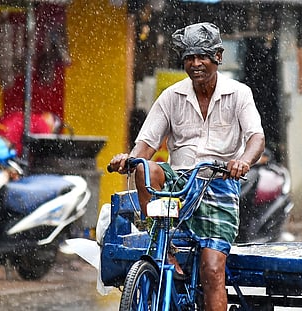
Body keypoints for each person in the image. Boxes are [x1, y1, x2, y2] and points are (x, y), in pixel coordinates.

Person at [109, 22, 265, 311]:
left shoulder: (239, 93)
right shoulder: (171, 97)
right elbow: (146, 143)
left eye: (202, 56)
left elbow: (256, 136)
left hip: (219, 185)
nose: (195, 63)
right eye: (189, 58)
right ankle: (162, 245)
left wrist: (243, 161)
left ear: (218, 57)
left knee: (212, 270)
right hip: (178, 183)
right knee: (145, 168)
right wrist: (128, 159)